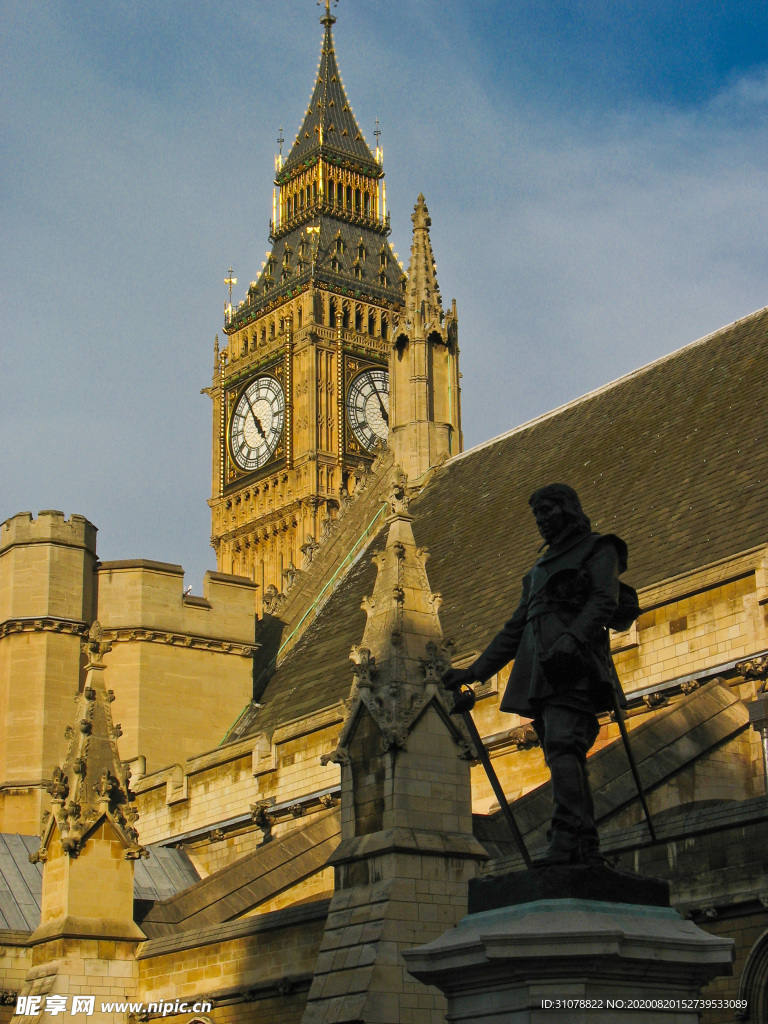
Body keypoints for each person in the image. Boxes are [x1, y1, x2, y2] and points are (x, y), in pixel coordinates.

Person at [443, 484, 633, 866]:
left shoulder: (600, 548)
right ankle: (584, 842)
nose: (542, 520)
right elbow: (514, 630)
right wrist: (474, 672)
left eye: (548, 510)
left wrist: (573, 637)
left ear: (568, 509)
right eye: (537, 514)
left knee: (564, 746)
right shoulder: (538, 570)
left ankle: (567, 840)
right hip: (540, 673)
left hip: (574, 667)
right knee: (560, 752)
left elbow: (604, 600)